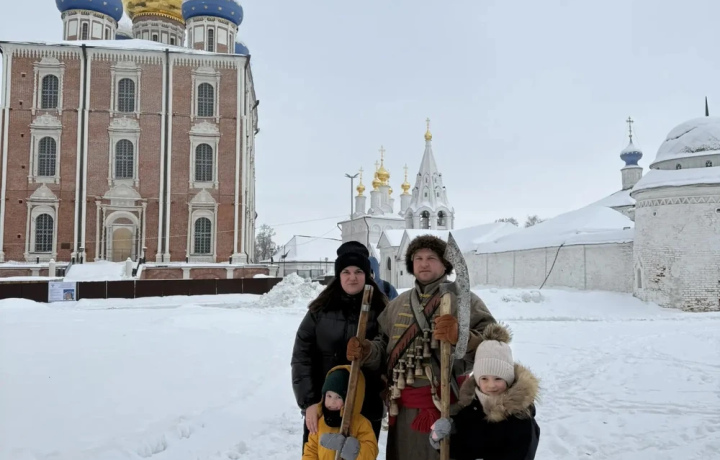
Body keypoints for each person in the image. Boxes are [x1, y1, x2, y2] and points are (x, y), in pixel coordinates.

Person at [346, 234, 497, 460]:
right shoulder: (397, 303)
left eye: (431, 258)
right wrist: (367, 351)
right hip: (402, 408)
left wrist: (462, 338)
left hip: (447, 406)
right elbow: (383, 345)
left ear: (445, 264)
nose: (424, 263)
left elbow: (493, 344)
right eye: (418, 258)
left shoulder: (465, 300)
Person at [292, 242, 388, 449]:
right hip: (325, 405)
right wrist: (309, 403)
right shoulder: (320, 309)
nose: (352, 277)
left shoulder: (382, 309)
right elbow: (302, 357)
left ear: (367, 275)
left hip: (366, 406)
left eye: (358, 271)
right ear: (339, 275)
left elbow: (389, 354)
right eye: (346, 272)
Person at [429, 323, 540, 460]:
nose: (491, 385)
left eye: (498, 378)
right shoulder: (471, 409)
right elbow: (462, 450)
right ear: (477, 379)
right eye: (484, 379)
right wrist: (441, 440)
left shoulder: (520, 418)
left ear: (509, 378)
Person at [302, 365, 379, 460]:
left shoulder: (361, 424)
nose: (332, 402)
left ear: (349, 399)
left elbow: (371, 452)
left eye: (338, 397)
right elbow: (310, 452)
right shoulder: (320, 422)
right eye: (329, 396)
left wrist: (351, 450)